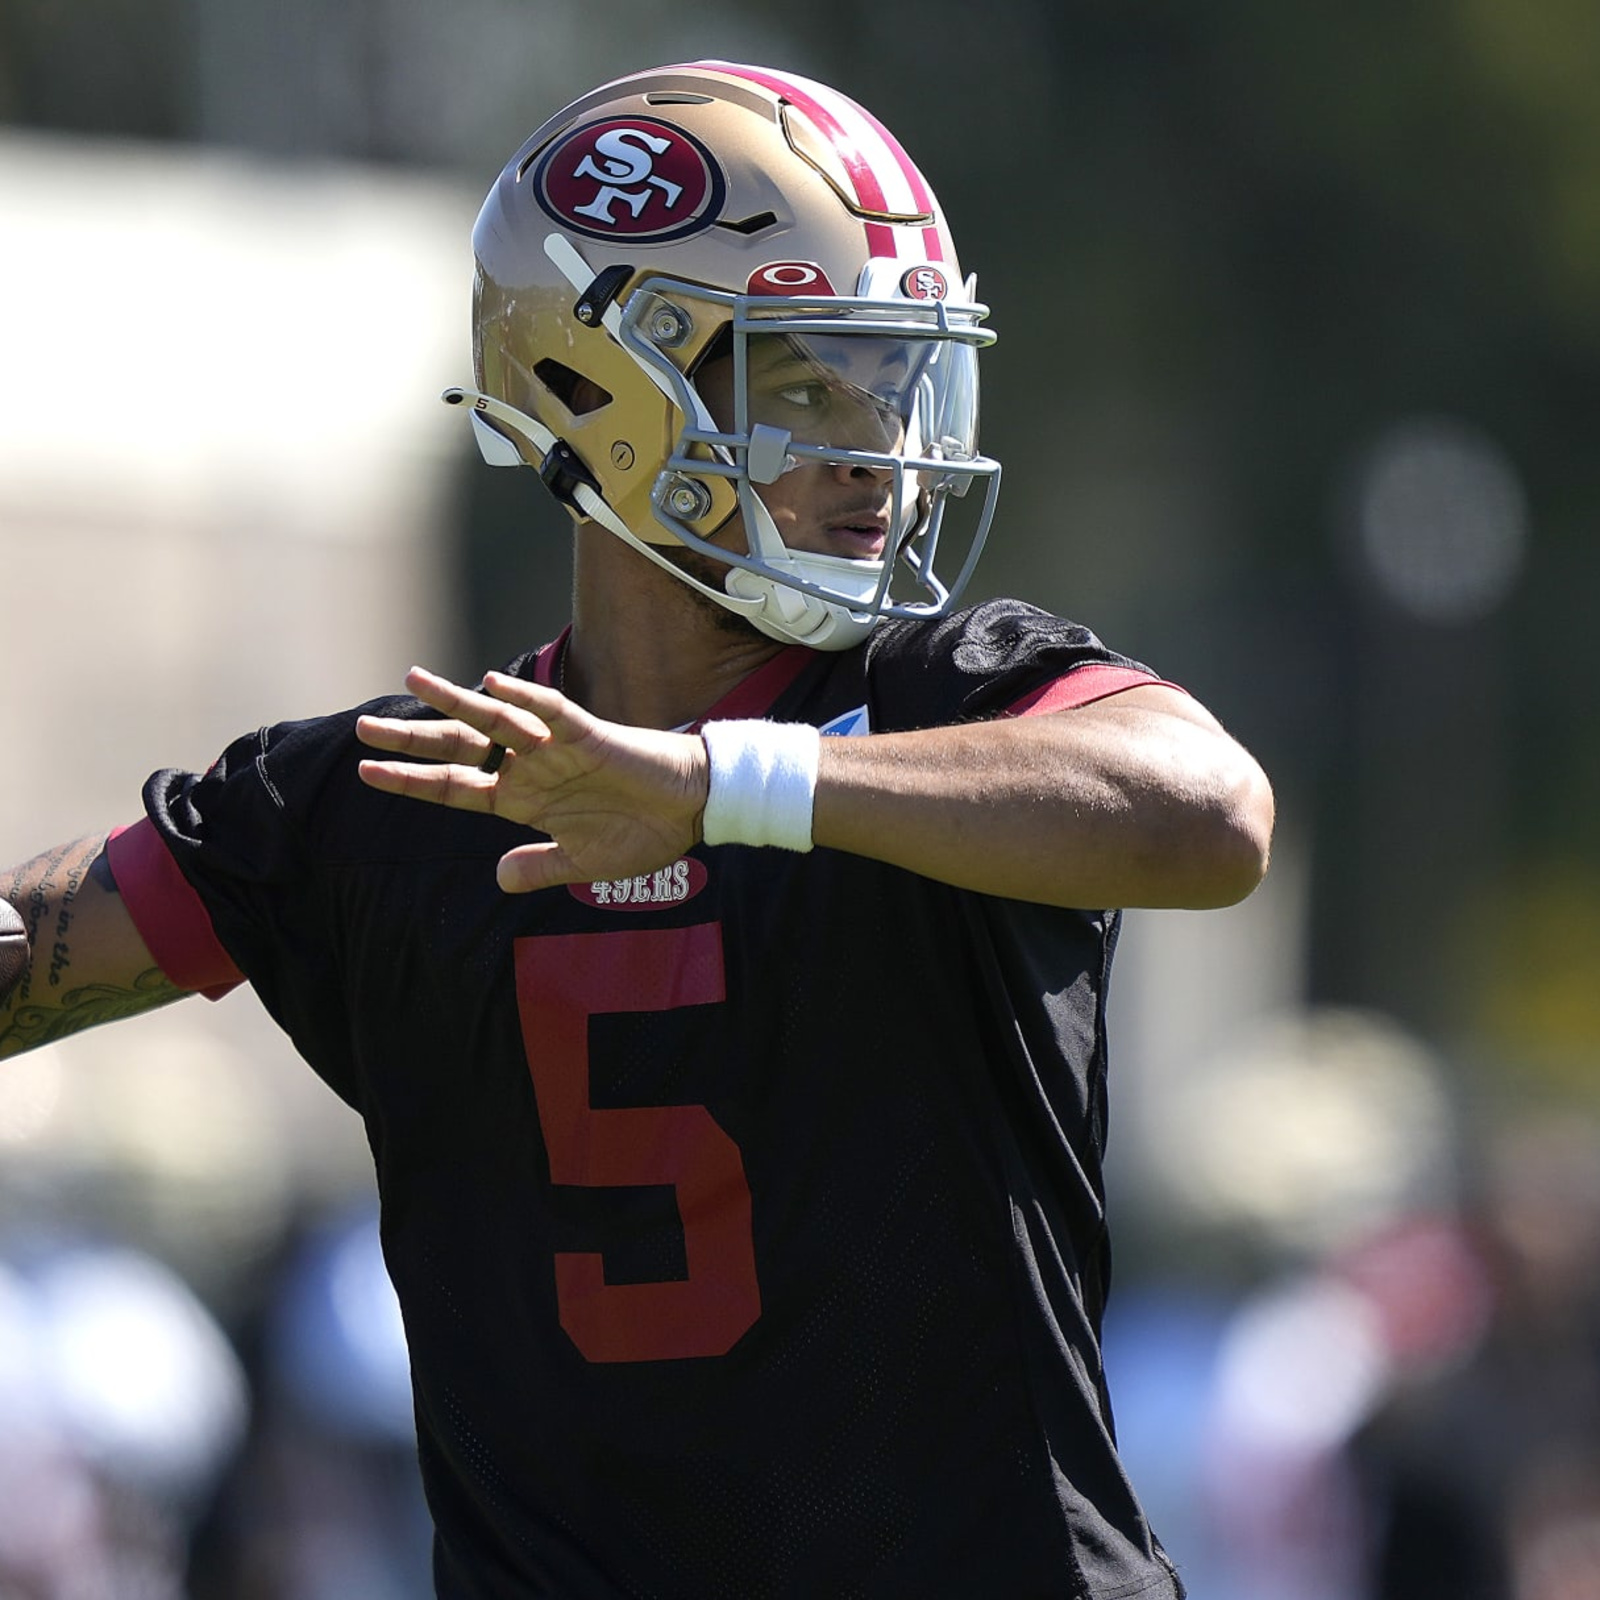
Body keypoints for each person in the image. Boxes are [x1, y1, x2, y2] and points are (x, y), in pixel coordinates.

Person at [0, 60, 1274, 1599]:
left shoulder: (949, 699)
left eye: (895, 382)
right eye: (808, 386)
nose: (875, 452)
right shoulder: (387, 793)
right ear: (588, 390)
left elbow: (1210, 814)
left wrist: (723, 786)